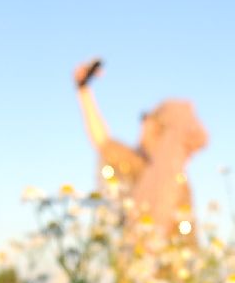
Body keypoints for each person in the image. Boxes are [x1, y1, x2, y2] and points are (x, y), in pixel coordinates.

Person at [73, 58, 208, 241]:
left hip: (174, 262)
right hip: (139, 259)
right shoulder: (136, 163)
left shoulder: (179, 182)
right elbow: (103, 142)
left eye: (148, 118)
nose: (143, 124)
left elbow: (188, 235)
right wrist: (84, 91)